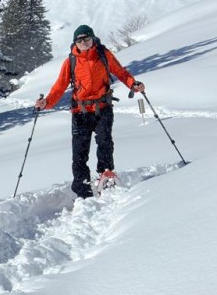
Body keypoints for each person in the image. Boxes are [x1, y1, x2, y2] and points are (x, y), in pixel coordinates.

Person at [35, 24, 145, 197]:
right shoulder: (71, 61)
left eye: (87, 39)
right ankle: (82, 188)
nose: (84, 42)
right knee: (79, 152)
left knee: (105, 142)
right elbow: (59, 86)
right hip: (80, 111)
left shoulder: (104, 54)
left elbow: (121, 73)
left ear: (93, 39)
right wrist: (46, 102)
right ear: (75, 43)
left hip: (103, 107)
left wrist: (133, 84)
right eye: (80, 40)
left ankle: (106, 174)